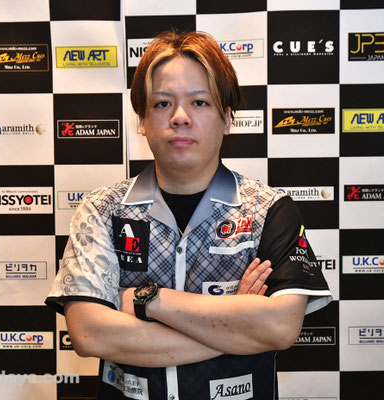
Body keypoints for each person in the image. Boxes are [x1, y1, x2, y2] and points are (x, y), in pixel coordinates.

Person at [45, 30, 332, 399]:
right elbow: (89, 334)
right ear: (142, 120)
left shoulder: (270, 210)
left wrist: (148, 300)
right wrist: (237, 326)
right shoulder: (102, 209)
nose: (180, 117)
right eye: (163, 103)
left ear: (227, 118)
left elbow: (280, 328)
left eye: (199, 102)